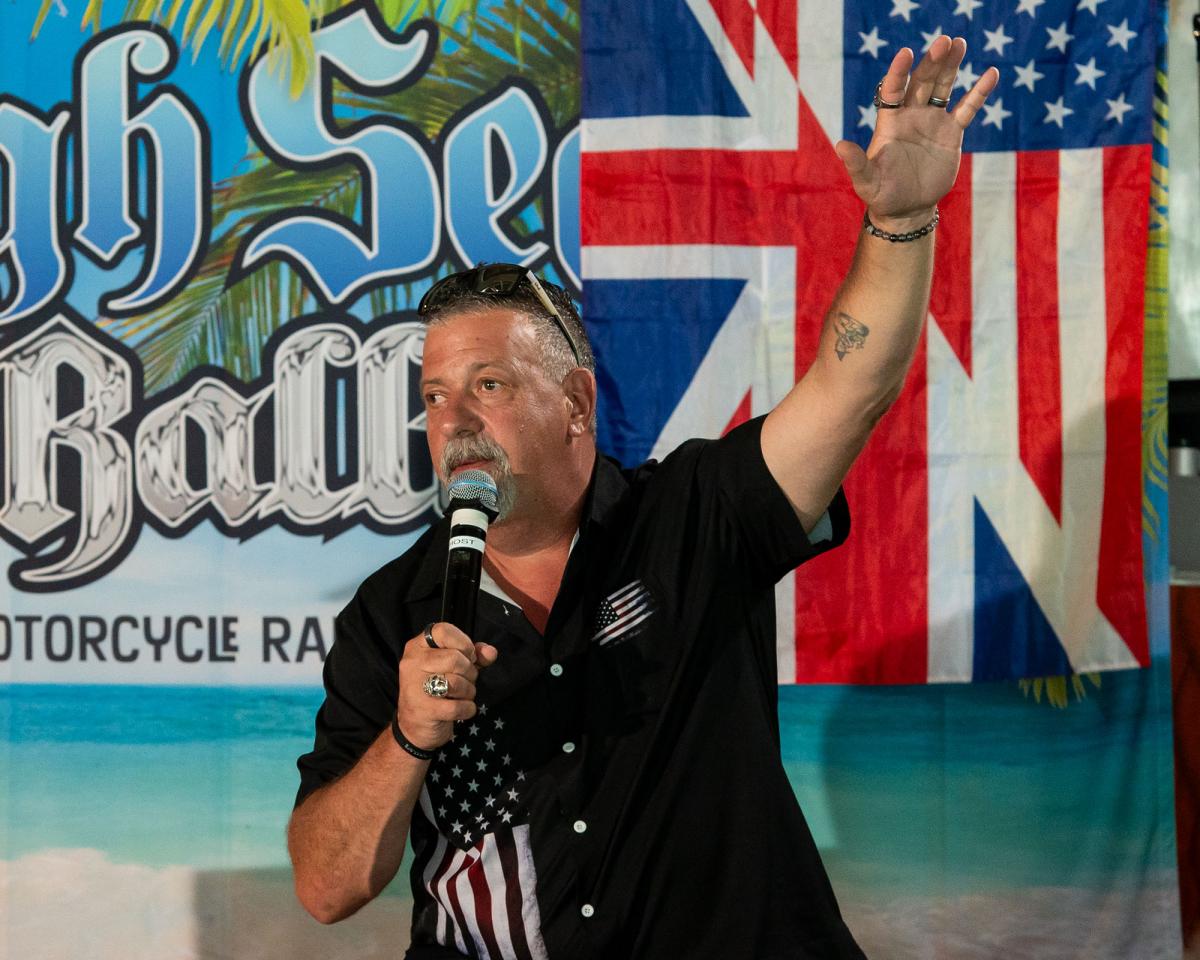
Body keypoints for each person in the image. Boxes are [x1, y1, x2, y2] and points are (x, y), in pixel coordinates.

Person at [288, 39, 997, 960]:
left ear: (577, 404)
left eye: (489, 386)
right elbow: (326, 889)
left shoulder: (695, 514)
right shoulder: (390, 614)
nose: (453, 420)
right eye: (434, 396)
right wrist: (407, 737)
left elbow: (851, 387)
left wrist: (901, 222)